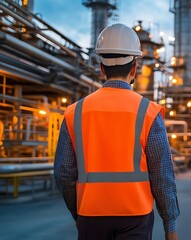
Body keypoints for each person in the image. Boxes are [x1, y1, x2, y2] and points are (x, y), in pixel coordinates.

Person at [54, 23, 179, 240]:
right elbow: (162, 175)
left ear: (102, 68)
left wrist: (79, 213)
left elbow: (64, 172)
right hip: (136, 215)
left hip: (90, 215)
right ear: (135, 68)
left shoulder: (75, 112)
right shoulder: (148, 112)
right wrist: (170, 225)